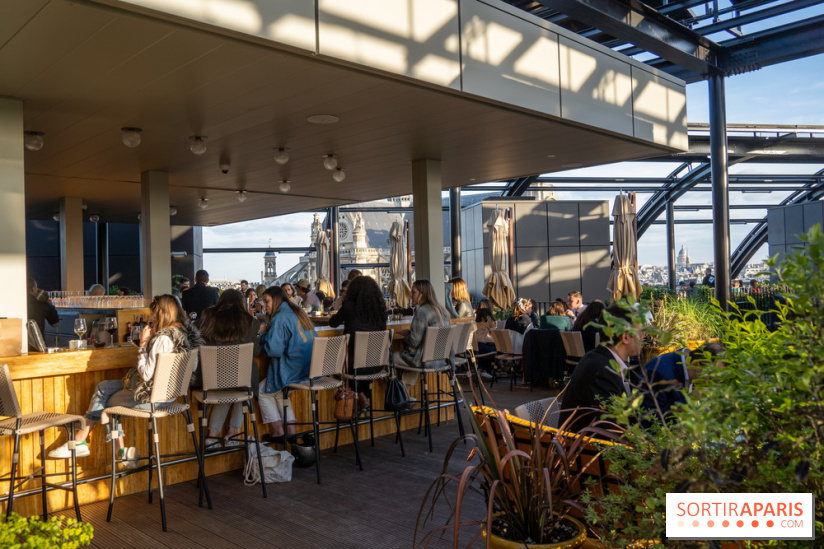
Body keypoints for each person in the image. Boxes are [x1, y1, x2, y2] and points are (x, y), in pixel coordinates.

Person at [48, 295, 203, 465]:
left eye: (153, 314)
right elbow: (192, 367)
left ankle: (92, 443)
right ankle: (90, 443)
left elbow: (146, 374)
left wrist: (143, 346)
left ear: (160, 314)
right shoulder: (186, 336)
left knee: (108, 405)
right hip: (172, 396)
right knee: (103, 387)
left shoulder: (162, 339)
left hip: (152, 399)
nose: (151, 318)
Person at [559, 304, 644, 433]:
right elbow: (615, 429)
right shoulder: (602, 371)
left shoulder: (598, 358)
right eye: (641, 332)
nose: (644, 336)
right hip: (585, 448)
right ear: (626, 337)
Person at [197, 289, 261, 447]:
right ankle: (233, 435)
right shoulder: (250, 320)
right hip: (241, 381)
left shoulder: (207, 315)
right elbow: (257, 351)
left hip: (210, 379)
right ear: (241, 303)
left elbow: (195, 340)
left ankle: (212, 437)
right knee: (242, 387)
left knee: (228, 387)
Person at [257, 286, 317, 442]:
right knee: (276, 390)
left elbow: (273, 351)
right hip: (310, 369)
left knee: (263, 391)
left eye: (267, 301)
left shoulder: (280, 318)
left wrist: (262, 336)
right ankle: (291, 429)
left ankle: (278, 432)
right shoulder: (298, 312)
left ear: (276, 299)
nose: (265, 305)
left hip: (294, 371)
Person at [328, 275, 387, 410]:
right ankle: (363, 400)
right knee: (362, 364)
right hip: (377, 364)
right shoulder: (380, 309)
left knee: (342, 365)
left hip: (353, 365)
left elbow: (333, 323)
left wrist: (343, 303)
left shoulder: (349, 306)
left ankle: (360, 395)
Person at [641, 343, 725, 421]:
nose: (713, 385)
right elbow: (648, 420)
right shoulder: (659, 372)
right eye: (711, 377)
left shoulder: (693, 373)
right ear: (696, 364)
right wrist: (690, 401)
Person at [396, 279, 451, 390]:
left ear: (423, 294)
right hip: (441, 359)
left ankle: (400, 399)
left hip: (423, 361)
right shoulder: (443, 311)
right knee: (410, 357)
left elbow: (414, 342)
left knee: (390, 358)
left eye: (414, 292)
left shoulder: (422, 312)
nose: (410, 295)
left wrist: (406, 335)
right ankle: (406, 396)